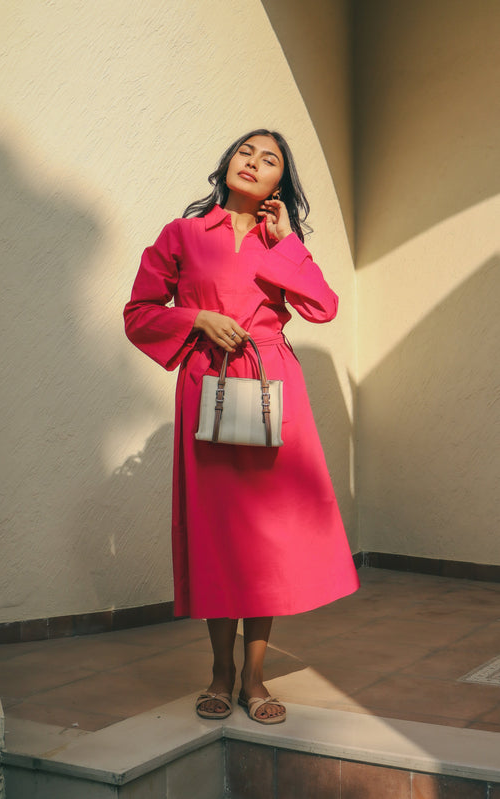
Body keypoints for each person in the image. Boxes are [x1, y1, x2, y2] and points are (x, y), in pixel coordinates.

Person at [124, 129, 360, 725]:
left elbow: (323, 306)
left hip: (272, 386)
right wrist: (197, 316)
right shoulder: (180, 234)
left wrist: (287, 244)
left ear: (281, 183)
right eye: (245, 152)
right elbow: (140, 313)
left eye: (270, 159)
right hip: (209, 382)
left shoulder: (279, 241)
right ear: (227, 163)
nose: (254, 162)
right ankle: (219, 671)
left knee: (265, 536)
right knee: (218, 532)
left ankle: (253, 678)